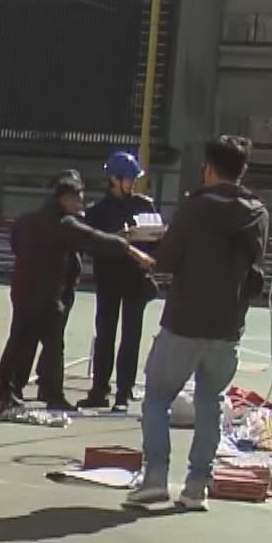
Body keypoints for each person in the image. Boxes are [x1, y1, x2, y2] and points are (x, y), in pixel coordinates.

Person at [127, 136, 268, 511]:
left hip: (185, 319)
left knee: (157, 397)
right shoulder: (257, 213)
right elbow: (255, 271)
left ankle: (155, 477)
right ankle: (196, 486)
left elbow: (169, 258)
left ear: (208, 168)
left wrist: (150, 258)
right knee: (211, 403)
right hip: (227, 325)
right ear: (243, 170)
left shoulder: (195, 207)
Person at [0, 171, 153, 415]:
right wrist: (133, 250)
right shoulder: (65, 224)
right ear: (65, 199)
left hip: (23, 291)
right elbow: (95, 238)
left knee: (18, 342)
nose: (79, 206)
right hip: (48, 296)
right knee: (53, 346)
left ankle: (5, 391)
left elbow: (16, 245)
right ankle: (52, 394)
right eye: (77, 200)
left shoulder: (27, 221)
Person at [77, 151, 165, 411]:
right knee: (105, 335)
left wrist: (149, 252)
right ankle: (99, 390)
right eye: (129, 179)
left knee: (131, 337)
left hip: (136, 280)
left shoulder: (144, 205)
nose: (133, 184)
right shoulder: (97, 211)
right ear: (114, 179)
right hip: (109, 280)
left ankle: (123, 393)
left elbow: (157, 241)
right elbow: (92, 243)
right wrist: (121, 238)